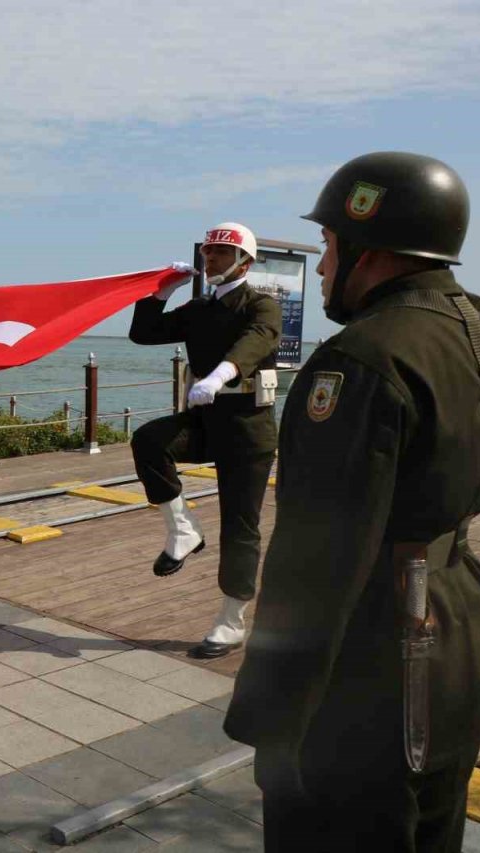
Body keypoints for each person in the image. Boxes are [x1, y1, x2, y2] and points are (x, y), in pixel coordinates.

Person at [224, 153, 480, 852]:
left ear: (373, 248)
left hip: (371, 671)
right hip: (463, 637)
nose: (324, 266)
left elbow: (314, 565)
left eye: (330, 246)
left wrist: (272, 719)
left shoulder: (359, 362)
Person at [128, 224, 281, 659]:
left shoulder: (261, 304)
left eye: (220, 253)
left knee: (239, 525)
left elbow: (257, 342)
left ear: (243, 263)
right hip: (206, 419)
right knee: (149, 440)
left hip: (248, 428)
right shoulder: (199, 307)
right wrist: (160, 293)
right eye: (208, 252)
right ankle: (183, 531)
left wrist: (220, 374)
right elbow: (144, 333)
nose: (209, 259)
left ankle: (231, 620)